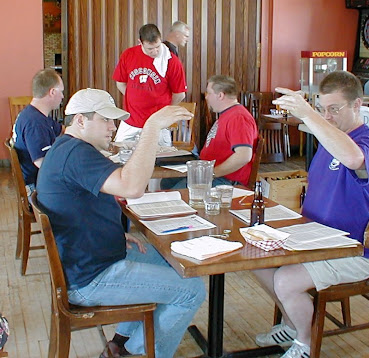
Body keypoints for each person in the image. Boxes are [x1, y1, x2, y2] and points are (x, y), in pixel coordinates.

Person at [36, 88, 204, 358]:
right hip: (90, 279)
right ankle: (140, 349)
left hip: (88, 258)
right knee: (192, 291)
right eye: (106, 120)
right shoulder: (76, 154)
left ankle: (123, 342)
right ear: (80, 121)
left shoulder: (69, 149)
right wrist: (151, 127)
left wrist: (110, 232)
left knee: (172, 261)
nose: (113, 128)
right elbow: (132, 186)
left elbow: (73, 208)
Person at [253, 71, 369, 358]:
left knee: (286, 280)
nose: (327, 117)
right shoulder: (329, 139)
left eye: (335, 109)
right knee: (255, 260)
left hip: (355, 251)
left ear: (357, 105)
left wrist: (308, 114)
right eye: (322, 108)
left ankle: (304, 344)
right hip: (315, 240)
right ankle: (292, 324)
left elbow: (353, 159)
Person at [162, 75, 258, 190]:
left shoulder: (238, 117)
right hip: (209, 171)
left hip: (226, 180)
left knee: (176, 192)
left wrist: (211, 174)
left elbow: (243, 156)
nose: (206, 98)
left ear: (220, 95)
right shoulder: (228, 114)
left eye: (209, 93)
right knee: (167, 182)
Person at [113, 23, 187, 145]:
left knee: (160, 159)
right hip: (130, 120)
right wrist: (134, 97)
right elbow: (120, 83)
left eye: (157, 46)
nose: (155, 52)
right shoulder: (128, 55)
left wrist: (164, 110)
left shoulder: (171, 61)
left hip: (158, 123)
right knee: (120, 156)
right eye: (150, 49)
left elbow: (179, 94)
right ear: (140, 42)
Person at [12, 68, 64, 195]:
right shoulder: (35, 123)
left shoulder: (36, 115)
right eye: (61, 92)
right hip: (35, 186)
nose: (62, 96)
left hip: (37, 179)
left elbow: (62, 130)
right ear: (52, 92)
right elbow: (42, 163)